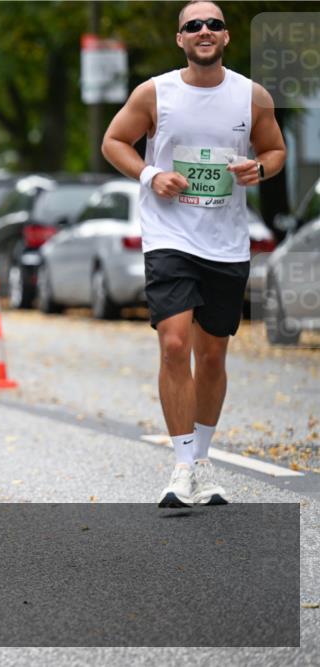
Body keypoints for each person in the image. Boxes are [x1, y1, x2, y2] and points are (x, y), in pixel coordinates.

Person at [102, 0, 286, 507]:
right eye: (193, 26)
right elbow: (114, 140)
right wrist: (150, 174)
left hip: (225, 242)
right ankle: (182, 465)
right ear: (180, 39)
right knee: (173, 343)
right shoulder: (155, 92)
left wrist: (260, 170)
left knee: (211, 355)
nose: (204, 31)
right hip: (169, 237)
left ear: (226, 37)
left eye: (214, 24)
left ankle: (203, 461)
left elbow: (275, 151)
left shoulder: (252, 97)